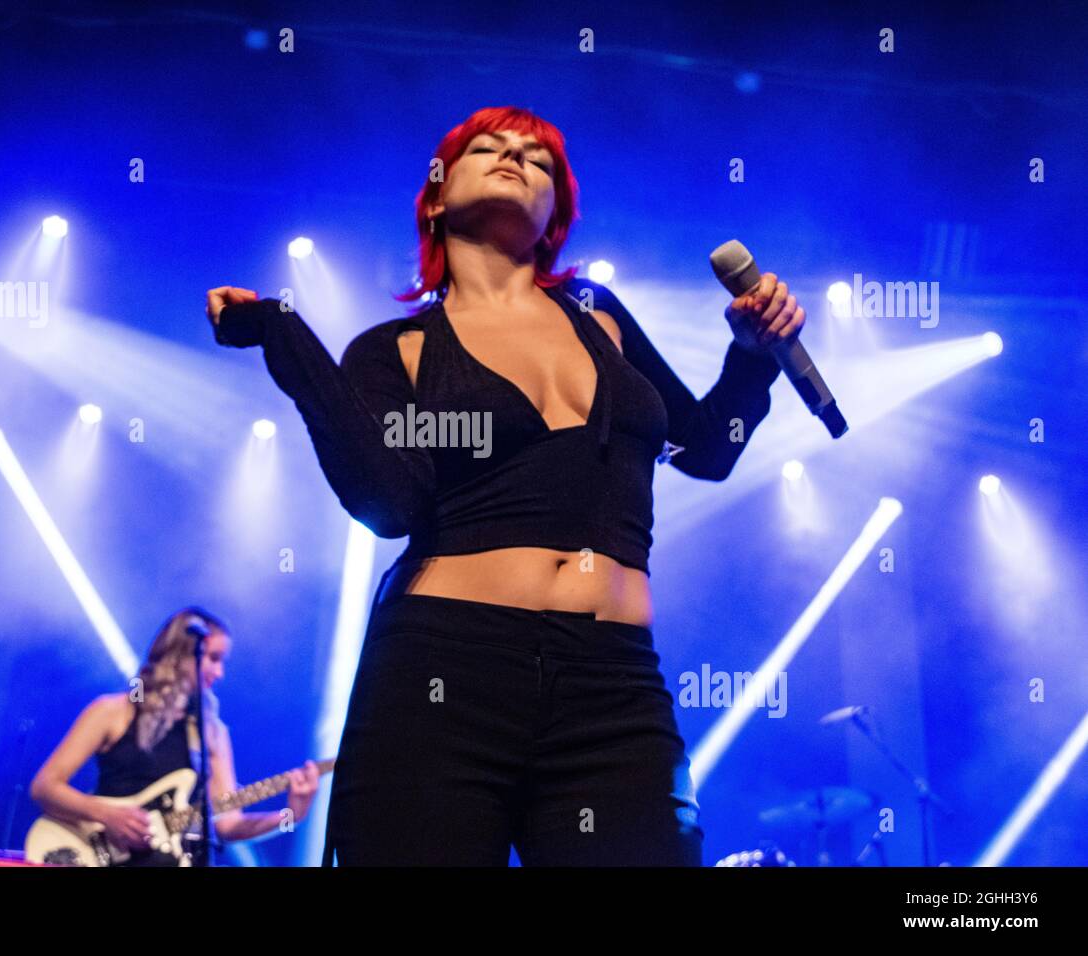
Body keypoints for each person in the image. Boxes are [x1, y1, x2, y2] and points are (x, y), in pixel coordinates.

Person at [206, 106, 805, 865]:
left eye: (539, 159)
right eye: (487, 148)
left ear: (556, 215)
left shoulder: (600, 317)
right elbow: (388, 504)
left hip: (612, 680)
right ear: (435, 196)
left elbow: (705, 450)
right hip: (443, 671)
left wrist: (751, 359)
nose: (516, 158)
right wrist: (284, 338)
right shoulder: (398, 351)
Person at [29, 607, 320, 865]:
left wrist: (289, 816)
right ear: (181, 652)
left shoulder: (212, 732)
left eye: (223, 661)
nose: (220, 672)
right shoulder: (113, 711)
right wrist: (106, 814)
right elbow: (44, 787)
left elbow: (228, 825)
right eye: (213, 658)